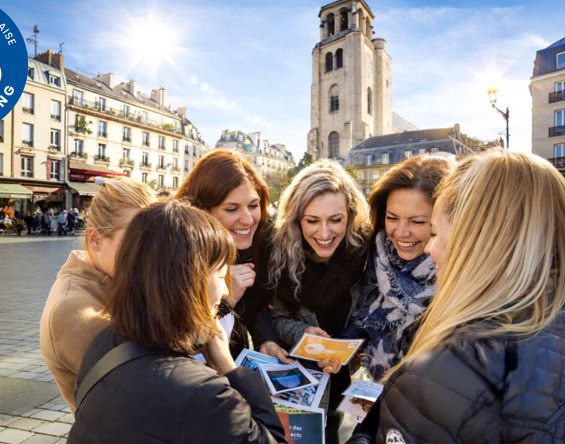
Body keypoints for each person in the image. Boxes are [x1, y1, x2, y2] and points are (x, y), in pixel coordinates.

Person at [351, 150, 565, 443]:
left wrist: (365, 434)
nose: (430, 248)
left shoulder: (456, 361)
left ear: (478, 239)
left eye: (435, 232)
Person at [69, 201, 287, 443]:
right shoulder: (203, 393)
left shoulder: (104, 343)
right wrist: (228, 368)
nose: (226, 290)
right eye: (220, 275)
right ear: (188, 281)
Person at [268, 159, 371, 443]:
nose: (324, 234)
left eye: (335, 220)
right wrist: (303, 334)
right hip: (296, 383)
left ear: (350, 215)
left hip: (347, 380)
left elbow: (372, 316)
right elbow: (274, 317)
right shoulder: (280, 253)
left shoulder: (367, 253)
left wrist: (346, 349)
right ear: (296, 219)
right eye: (312, 221)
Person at [40, 177, 156, 411]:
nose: (150, 252)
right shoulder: (74, 309)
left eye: (154, 239)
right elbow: (154, 385)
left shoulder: (116, 276)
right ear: (95, 240)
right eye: (135, 240)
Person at [343, 154, 454, 381]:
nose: (401, 232)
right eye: (392, 218)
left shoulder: (457, 275)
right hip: (373, 384)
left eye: (417, 222)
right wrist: (339, 348)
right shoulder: (376, 253)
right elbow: (363, 320)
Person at [175, 149, 285, 360]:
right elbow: (181, 345)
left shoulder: (259, 239)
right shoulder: (174, 255)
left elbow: (255, 305)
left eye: (253, 205)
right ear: (202, 211)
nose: (248, 219)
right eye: (232, 209)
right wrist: (227, 299)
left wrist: (266, 340)